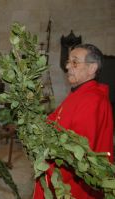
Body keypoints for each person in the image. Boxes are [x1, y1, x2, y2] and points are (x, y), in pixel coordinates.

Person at [33, 44, 114, 199]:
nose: (68, 66)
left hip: (71, 188)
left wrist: (49, 173)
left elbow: (77, 154)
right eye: (68, 61)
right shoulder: (79, 93)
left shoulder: (91, 100)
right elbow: (54, 122)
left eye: (75, 62)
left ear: (92, 68)